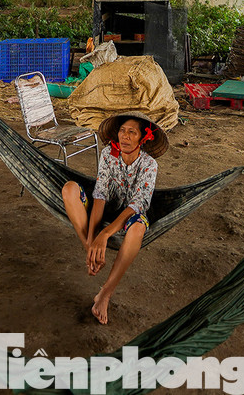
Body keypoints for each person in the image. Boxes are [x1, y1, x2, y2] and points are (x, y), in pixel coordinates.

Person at [60, 112, 167, 324]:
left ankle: (105, 294)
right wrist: (92, 241)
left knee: (138, 228)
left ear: (142, 138)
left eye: (131, 132)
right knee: (69, 188)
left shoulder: (149, 165)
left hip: (130, 215)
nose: (125, 136)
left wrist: (106, 234)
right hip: (107, 209)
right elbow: (100, 195)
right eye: (122, 130)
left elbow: (137, 205)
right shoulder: (109, 154)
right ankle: (91, 251)